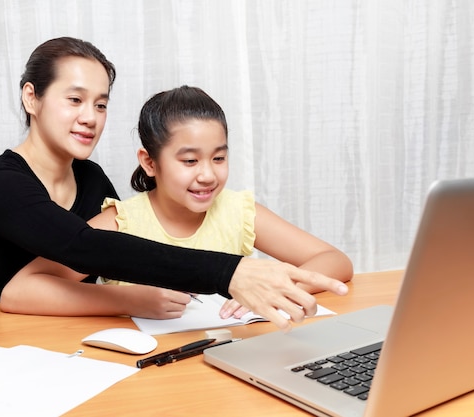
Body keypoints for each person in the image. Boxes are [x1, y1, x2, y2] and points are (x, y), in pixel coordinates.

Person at [0, 37, 351, 331]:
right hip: (1, 341)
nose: (91, 117)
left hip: (75, 338)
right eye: (74, 100)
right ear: (32, 98)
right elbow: (85, 248)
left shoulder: (90, 178)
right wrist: (229, 273)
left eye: (100, 104)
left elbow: (114, 258)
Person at [18, 85, 353, 320]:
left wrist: (269, 289)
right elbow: (21, 291)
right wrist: (127, 300)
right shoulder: (120, 222)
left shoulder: (239, 211)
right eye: (190, 162)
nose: (208, 175)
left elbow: (334, 261)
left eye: (219, 158)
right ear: (150, 162)